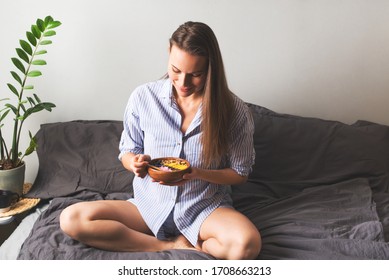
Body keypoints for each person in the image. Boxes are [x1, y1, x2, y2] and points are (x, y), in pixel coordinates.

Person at [60, 21, 261, 260]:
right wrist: (133, 162)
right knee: (71, 218)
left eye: (195, 75)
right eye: (176, 70)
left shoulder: (234, 110)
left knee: (246, 245)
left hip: (203, 208)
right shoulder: (143, 97)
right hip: (149, 207)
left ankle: (200, 244)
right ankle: (170, 245)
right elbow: (127, 150)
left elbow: (240, 173)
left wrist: (197, 173)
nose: (183, 83)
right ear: (169, 53)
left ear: (211, 68)